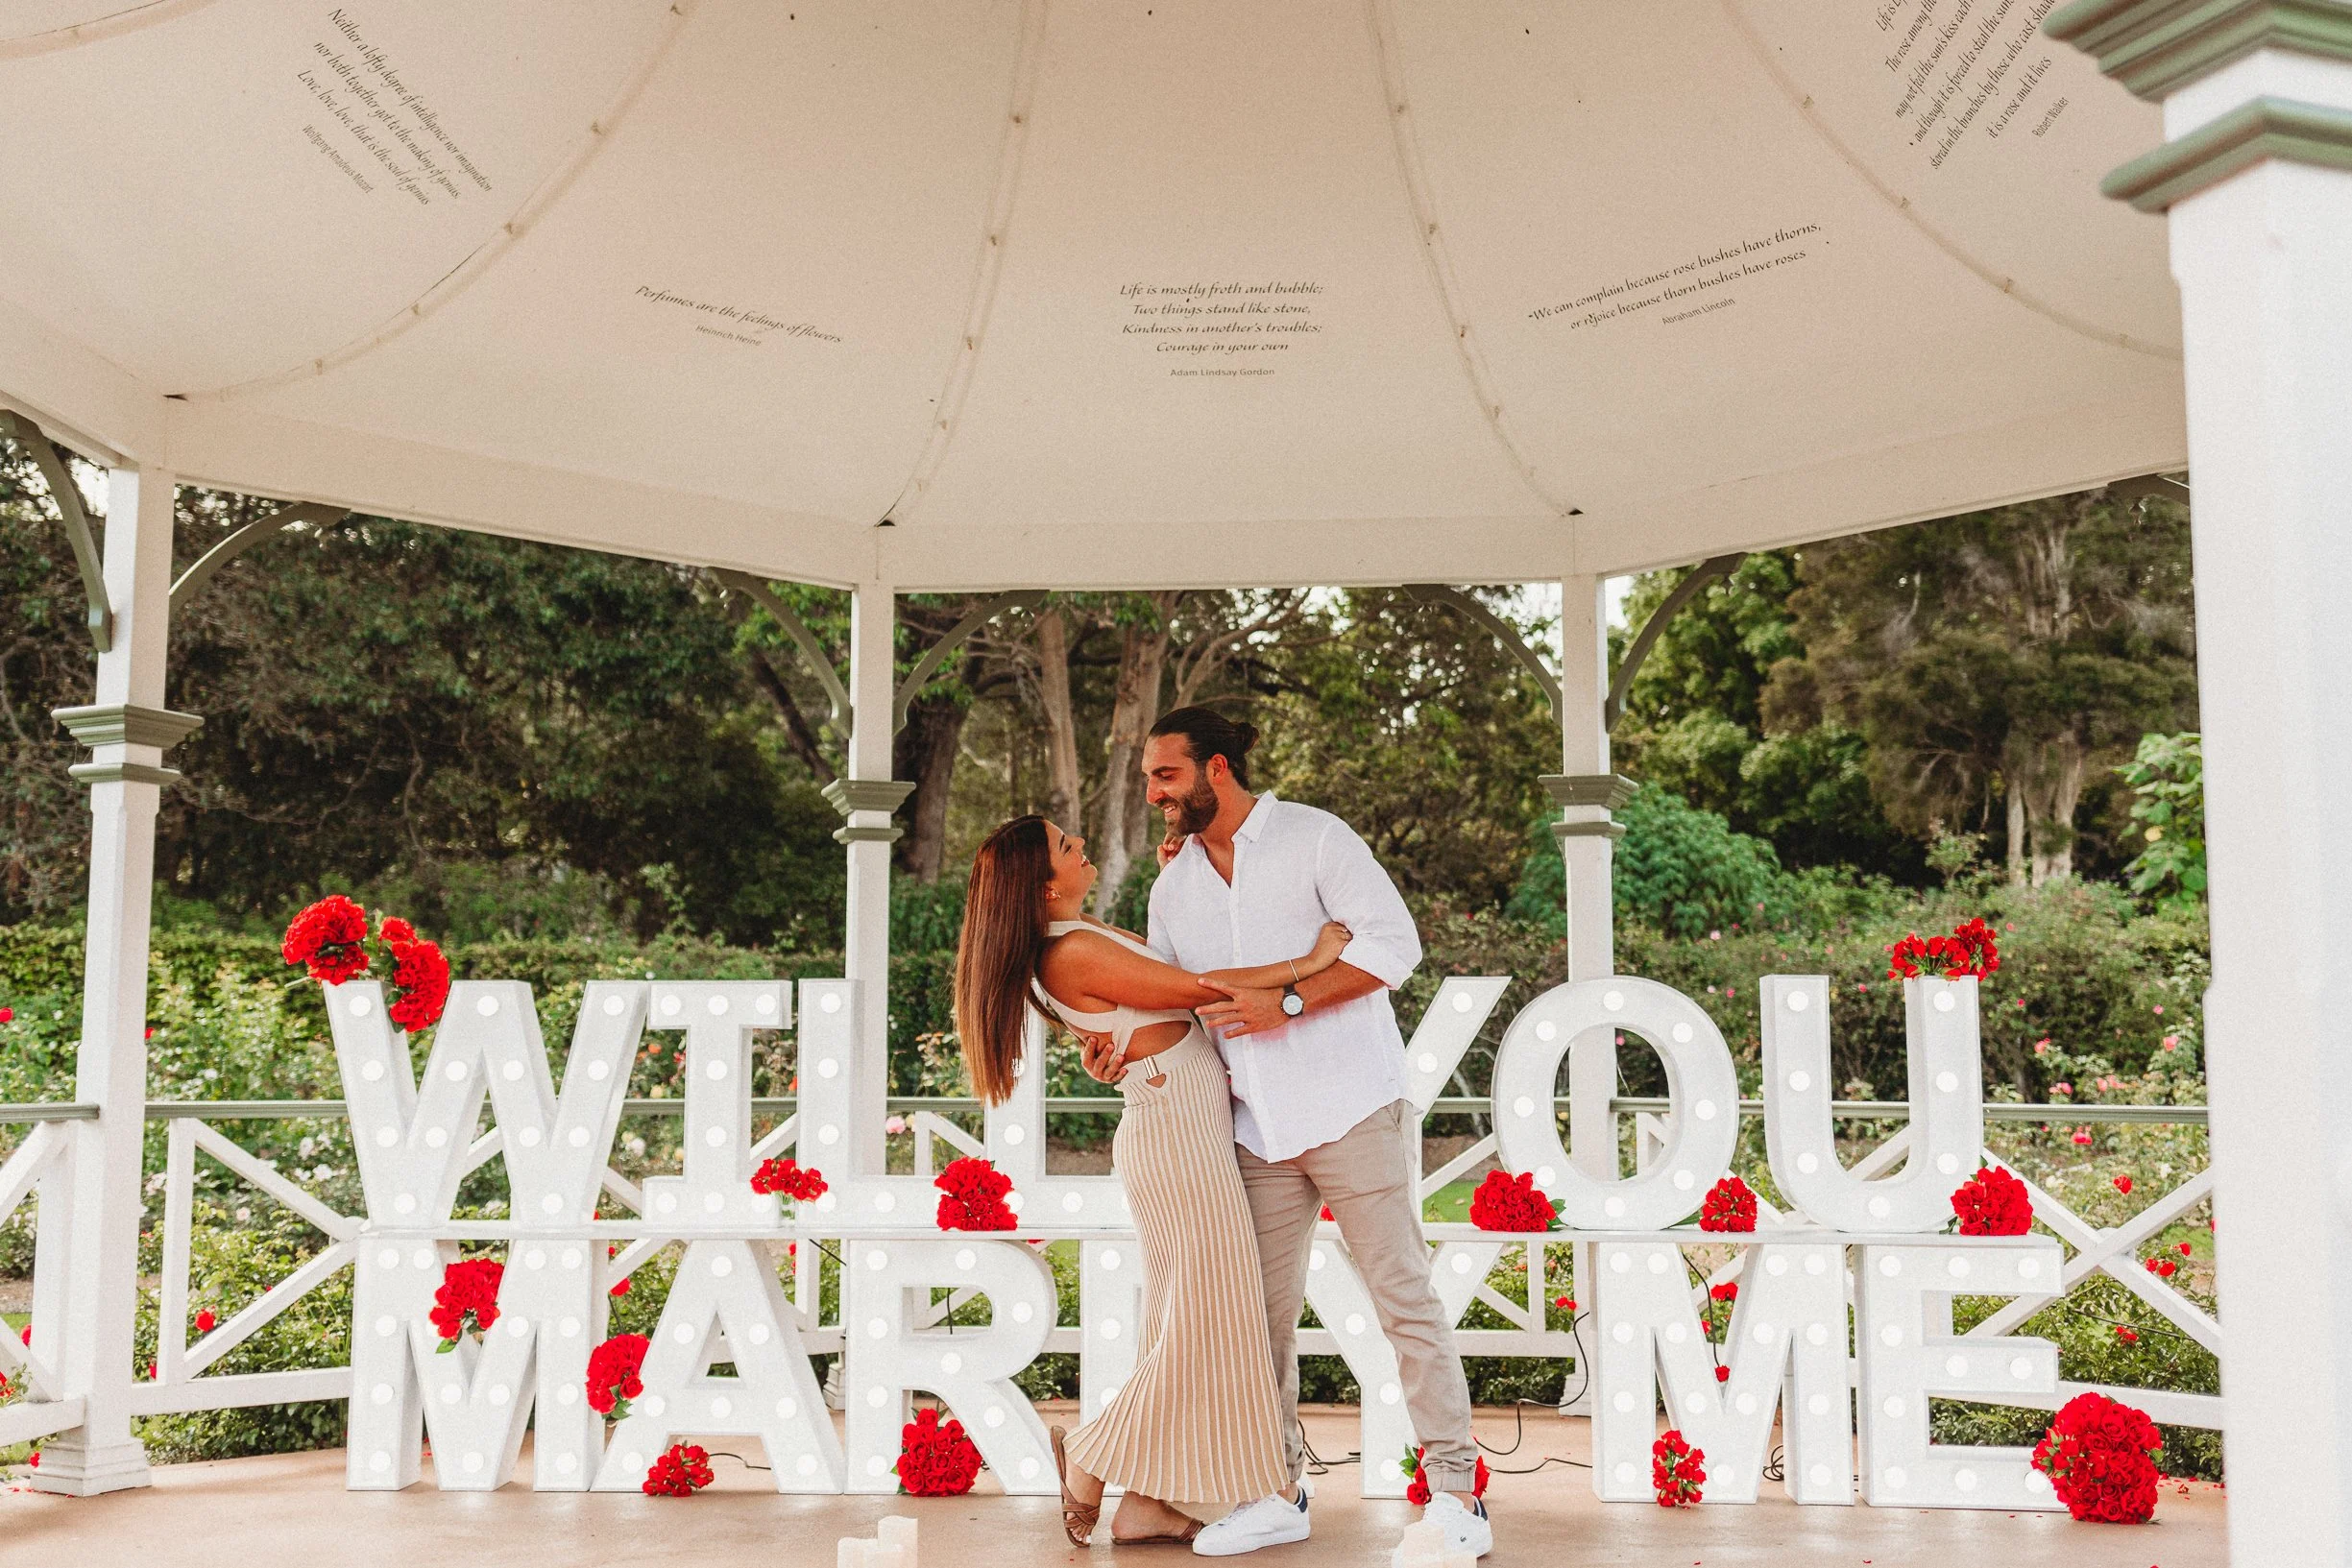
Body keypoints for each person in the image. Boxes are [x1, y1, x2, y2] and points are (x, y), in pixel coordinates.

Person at [1084, 707, 1493, 1559]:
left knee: (1402, 1299)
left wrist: (1295, 999)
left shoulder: (1315, 838)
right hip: (1251, 1125)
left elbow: (1392, 944)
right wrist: (1114, 1048)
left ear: (1216, 769)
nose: (1152, 791)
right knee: (1254, 1324)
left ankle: (1457, 1497)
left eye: (1165, 775)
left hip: (1351, 1106)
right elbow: (1180, 1003)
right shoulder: (1172, 886)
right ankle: (1274, 1490)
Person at [953, 813, 1358, 1548]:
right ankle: (1090, 1453)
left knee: (1199, 1320)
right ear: (1045, 883)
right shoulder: (1069, 950)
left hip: (1182, 1125)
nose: (1082, 848)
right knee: (1199, 1321)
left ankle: (1151, 1504)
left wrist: (1177, 875)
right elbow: (1201, 987)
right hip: (1173, 1135)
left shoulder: (1078, 934)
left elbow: (1154, 970)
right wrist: (1313, 959)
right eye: (1068, 846)